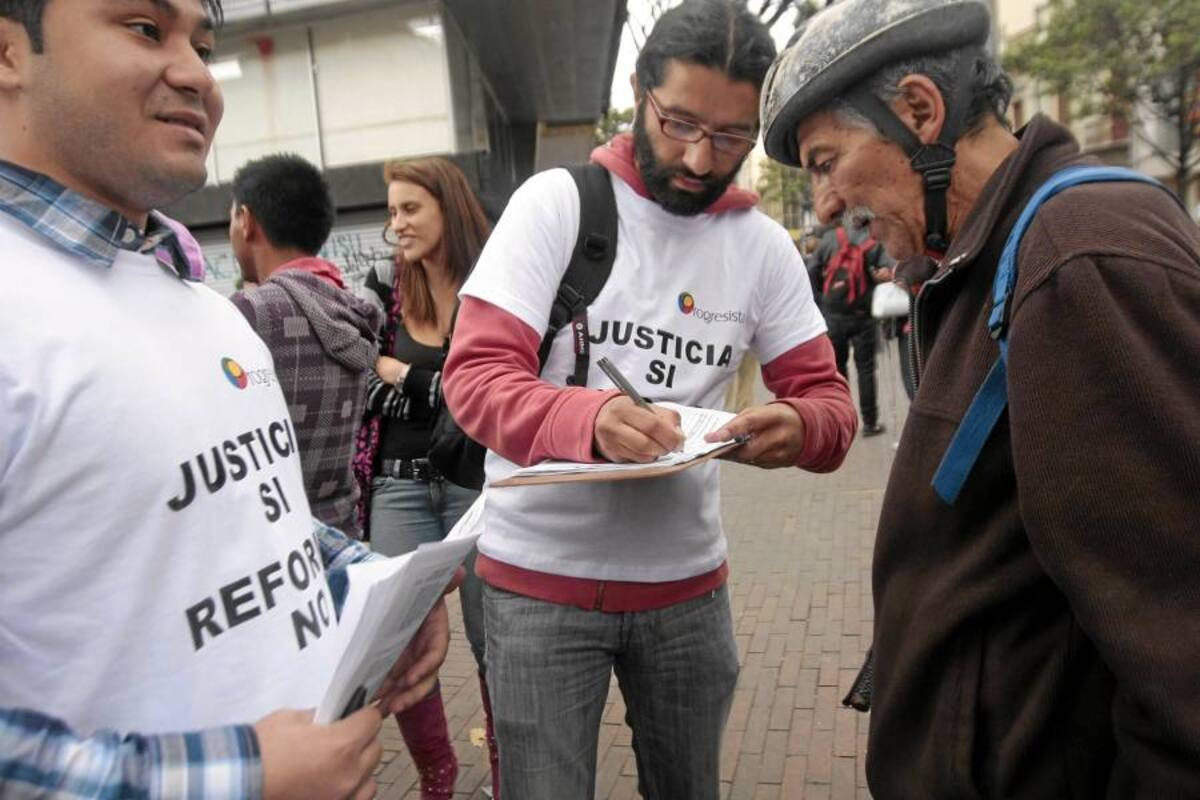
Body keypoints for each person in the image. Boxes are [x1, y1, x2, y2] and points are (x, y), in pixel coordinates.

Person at [0, 2, 450, 798]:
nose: (199, 75)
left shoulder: (205, 304)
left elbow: (246, 516)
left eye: (203, 45)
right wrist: (241, 780)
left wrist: (379, 591)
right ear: (9, 52)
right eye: (146, 28)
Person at [761, 0, 1200, 796]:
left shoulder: (1079, 257)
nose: (824, 206)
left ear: (920, 111)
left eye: (826, 161)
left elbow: (1180, 652)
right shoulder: (984, 257)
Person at [441, 2, 857, 797]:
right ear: (639, 93)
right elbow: (476, 378)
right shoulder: (555, 205)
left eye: (731, 136)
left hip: (687, 596)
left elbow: (830, 405)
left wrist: (799, 426)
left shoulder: (762, 248)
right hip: (535, 584)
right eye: (679, 123)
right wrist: (588, 418)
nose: (701, 157)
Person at [354, 156, 496, 800]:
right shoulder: (380, 285)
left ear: (448, 207)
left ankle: (505, 764)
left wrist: (405, 376)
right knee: (403, 640)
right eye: (392, 212)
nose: (397, 225)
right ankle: (437, 773)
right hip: (398, 486)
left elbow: (488, 392)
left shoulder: (496, 283)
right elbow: (357, 371)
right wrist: (438, 390)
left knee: (498, 640)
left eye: (410, 208)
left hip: (481, 488)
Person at [229, 153, 382, 539]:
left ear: (246, 221)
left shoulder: (247, 314)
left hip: (274, 540)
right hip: (341, 531)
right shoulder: (353, 310)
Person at [809, 222, 894, 435]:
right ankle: (870, 422)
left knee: (837, 370)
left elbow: (811, 270)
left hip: (832, 316)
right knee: (865, 369)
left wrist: (821, 301)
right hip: (862, 315)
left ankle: (843, 423)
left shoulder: (829, 238)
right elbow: (888, 269)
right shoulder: (872, 241)